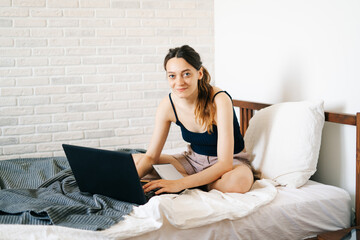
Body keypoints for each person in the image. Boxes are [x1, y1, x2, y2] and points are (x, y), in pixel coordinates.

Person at [133, 45, 256, 195]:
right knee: (133, 161)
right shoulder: (168, 105)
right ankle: (200, 180)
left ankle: (198, 183)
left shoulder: (219, 100)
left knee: (238, 183)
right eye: (172, 76)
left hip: (230, 163)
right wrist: (129, 183)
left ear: (199, 73)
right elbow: (151, 156)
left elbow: (225, 164)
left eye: (186, 74)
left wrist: (179, 184)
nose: (179, 82)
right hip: (193, 161)